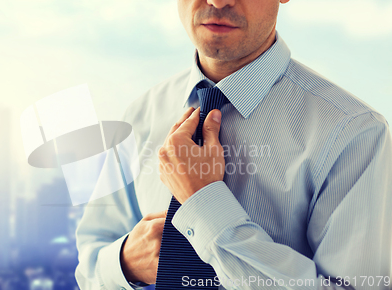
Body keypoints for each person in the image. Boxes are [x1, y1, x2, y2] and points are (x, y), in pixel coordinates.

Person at [75, 0, 392, 289]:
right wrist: (125, 263)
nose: (217, 1)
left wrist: (203, 203)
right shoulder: (143, 112)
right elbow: (90, 264)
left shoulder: (354, 133)